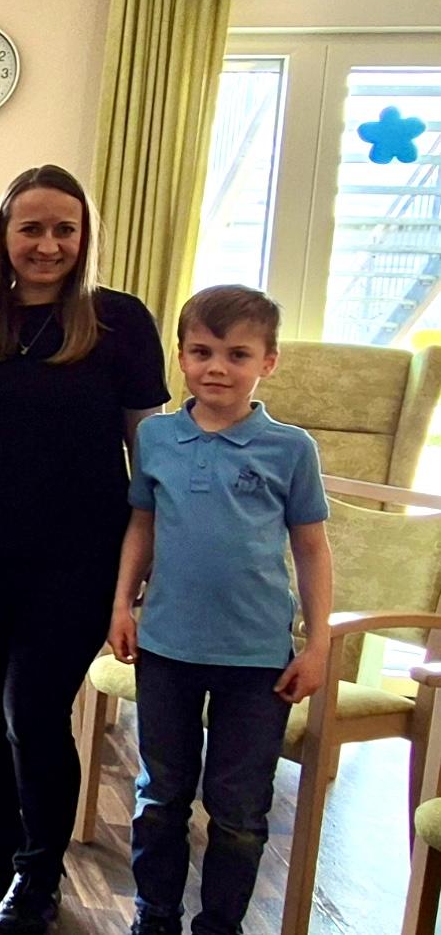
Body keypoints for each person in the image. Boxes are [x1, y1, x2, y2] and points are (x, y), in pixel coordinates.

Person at [0, 164, 170, 934]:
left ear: (84, 236)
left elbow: (147, 443)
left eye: (65, 229)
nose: (48, 244)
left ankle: (38, 871)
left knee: (34, 709)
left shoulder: (120, 321)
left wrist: (147, 552)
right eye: (31, 228)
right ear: (5, 236)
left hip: (79, 553)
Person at [109, 285, 333, 935]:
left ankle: (219, 926)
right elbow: (142, 526)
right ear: (181, 357)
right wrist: (122, 604)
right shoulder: (156, 438)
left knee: (238, 812)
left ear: (268, 362)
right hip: (166, 650)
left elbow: (312, 549)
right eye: (202, 351)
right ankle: (155, 916)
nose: (217, 367)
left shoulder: (292, 449)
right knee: (160, 796)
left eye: (238, 354)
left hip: (258, 661)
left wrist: (318, 644)